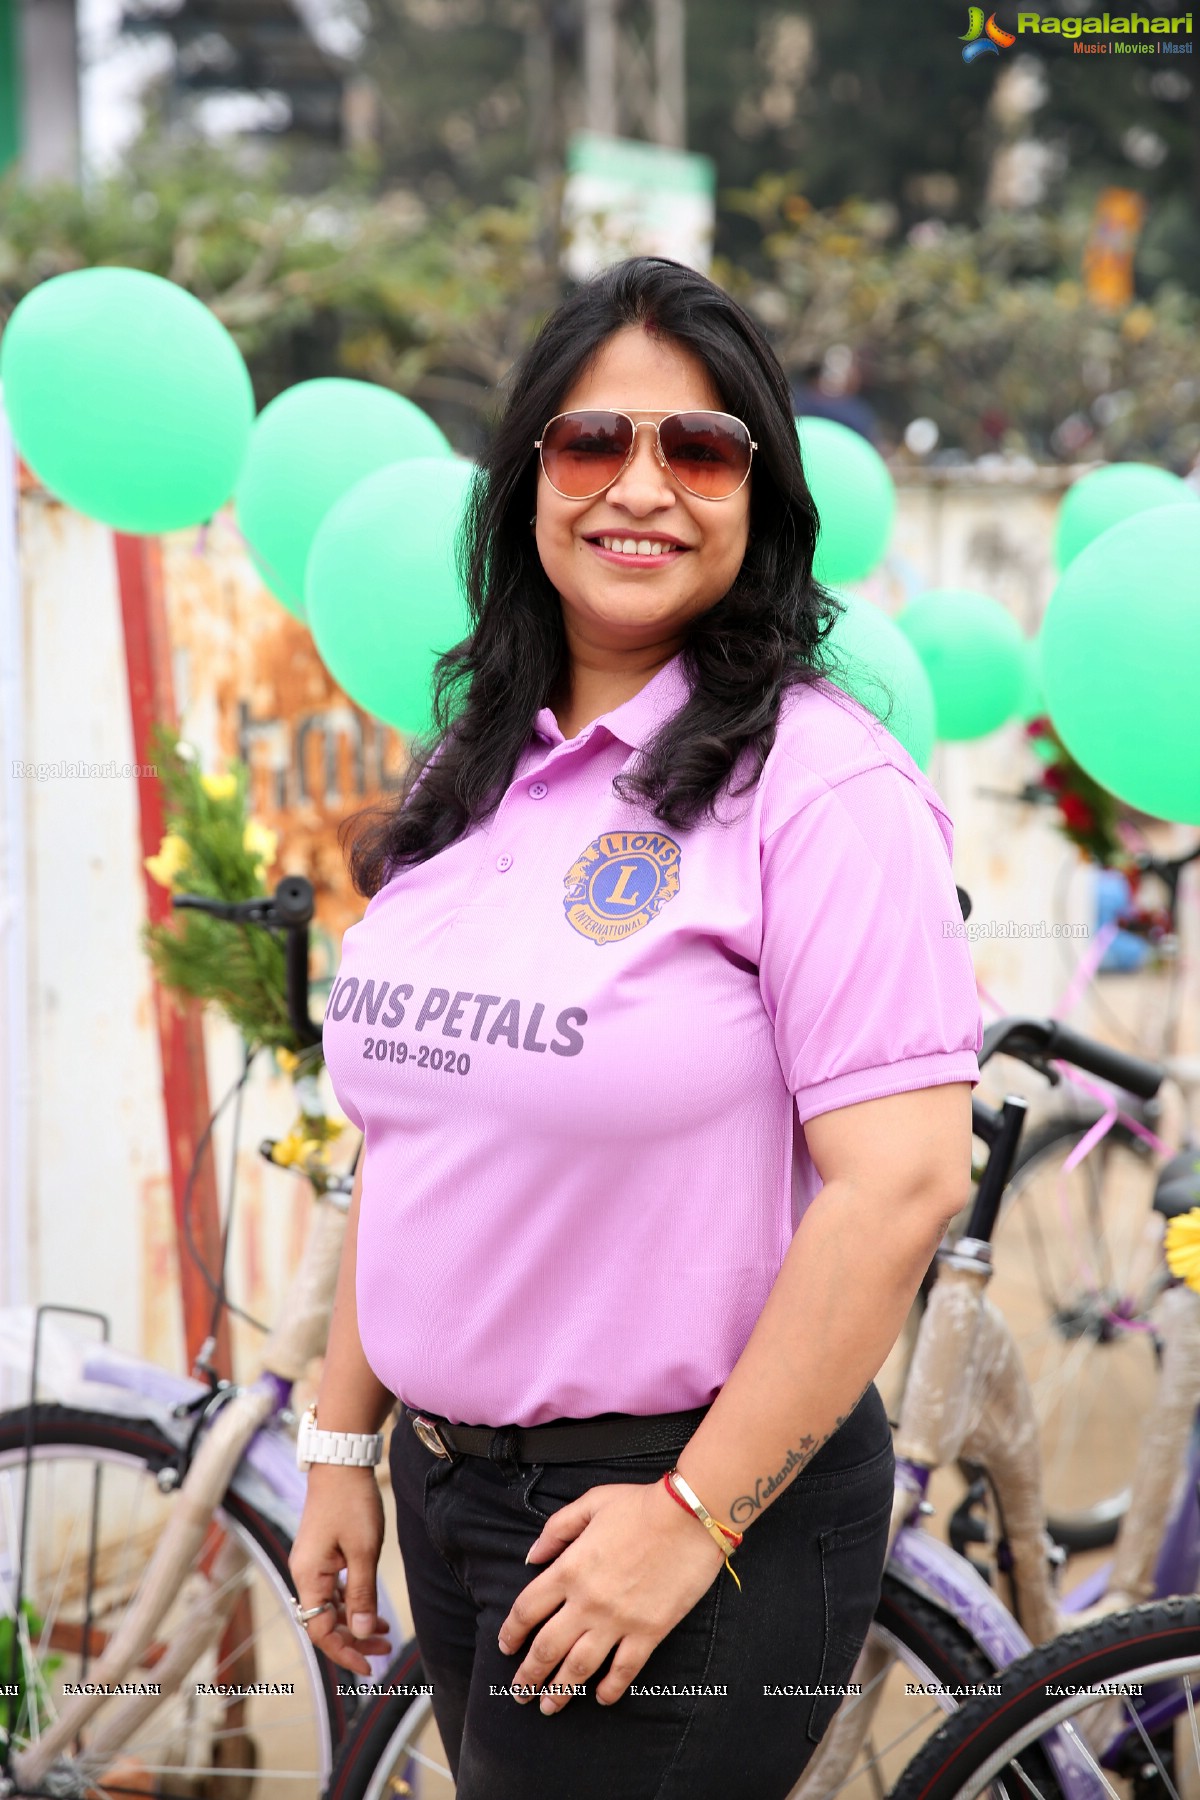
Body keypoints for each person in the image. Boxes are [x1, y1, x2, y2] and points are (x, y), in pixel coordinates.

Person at [288, 254, 983, 1800]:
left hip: (686, 1504)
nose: (642, 487)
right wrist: (343, 1444)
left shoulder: (820, 786)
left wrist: (690, 1515)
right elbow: (415, 1134)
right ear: (528, 479)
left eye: (702, 447)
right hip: (451, 1496)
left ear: (761, 498)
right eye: (595, 442)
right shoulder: (472, 769)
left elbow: (905, 1185)